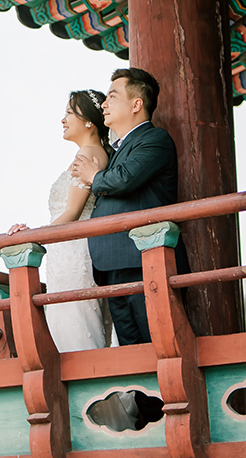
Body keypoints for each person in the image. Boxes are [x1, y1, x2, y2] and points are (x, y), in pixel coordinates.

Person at [72, 67, 182, 346]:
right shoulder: (116, 148)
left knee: (156, 346)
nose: (104, 104)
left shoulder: (154, 140)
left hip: (143, 262)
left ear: (136, 104)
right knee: (132, 353)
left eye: (112, 96)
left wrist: (93, 177)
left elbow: (123, 180)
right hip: (112, 264)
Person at [8, 89, 113, 351]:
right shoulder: (93, 152)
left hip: (74, 253)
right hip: (68, 253)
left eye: (68, 113)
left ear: (89, 120)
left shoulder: (88, 154)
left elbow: (71, 214)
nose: (63, 120)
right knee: (73, 324)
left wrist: (31, 236)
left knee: (74, 327)